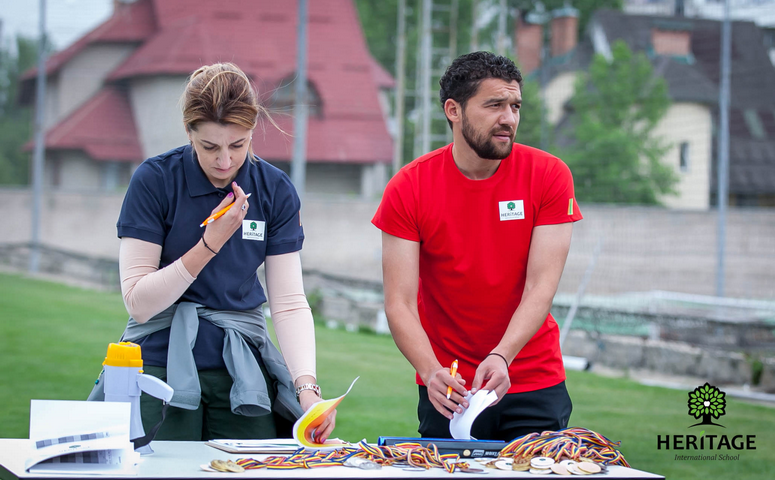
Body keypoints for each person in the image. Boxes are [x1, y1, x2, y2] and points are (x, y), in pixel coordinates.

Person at [96, 63, 334, 441]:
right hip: (156, 363)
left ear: (253, 131)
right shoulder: (154, 180)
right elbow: (139, 303)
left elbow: (288, 302)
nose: (224, 161)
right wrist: (210, 244)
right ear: (189, 132)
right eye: (210, 147)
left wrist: (307, 388)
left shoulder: (275, 189)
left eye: (237, 145)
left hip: (242, 372)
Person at [371, 52, 583, 441]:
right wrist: (430, 369)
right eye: (494, 105)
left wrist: (503, 356)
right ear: (454, 110)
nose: (509, 118)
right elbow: (398, 302)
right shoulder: (409, 188)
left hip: (532, 376)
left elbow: (541, 288)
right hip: (449, 389)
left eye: (515, 106)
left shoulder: (550, 175)